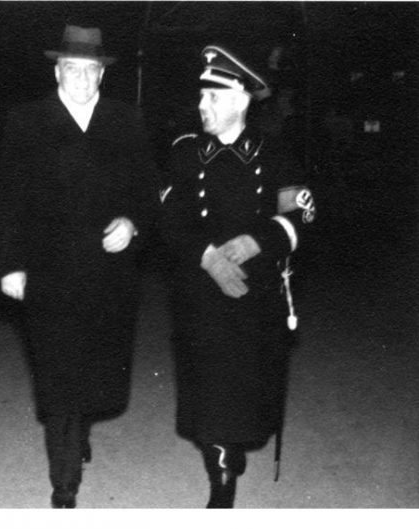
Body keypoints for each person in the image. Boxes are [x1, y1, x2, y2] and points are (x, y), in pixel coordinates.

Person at [0, 25, 158, 508]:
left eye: (92, 70)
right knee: (58, 373)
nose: (83, 79)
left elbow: (148, 193)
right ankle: (64, 482)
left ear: (102, 74)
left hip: (110, 275)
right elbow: (8, 201)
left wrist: (133, 223)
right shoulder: (27, 121)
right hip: (50, 272)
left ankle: (80, 427)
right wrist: (10, 266)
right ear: (57, 71)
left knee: (97, 370)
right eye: (73, 69)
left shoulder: (125, 121)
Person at [158, 45, 316, 508]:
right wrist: (206, 255)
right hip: (200, 290)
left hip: (256, 293)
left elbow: (302, 214)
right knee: (208, 385)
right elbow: (167, 216)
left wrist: (259, 240)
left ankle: (230, 447)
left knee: (246, 384)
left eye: (213, 97)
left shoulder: (276, 153)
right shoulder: (186, 153)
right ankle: (221, 472)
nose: (202, 106)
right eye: (201, 97)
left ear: (242, 100)